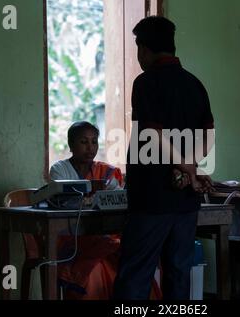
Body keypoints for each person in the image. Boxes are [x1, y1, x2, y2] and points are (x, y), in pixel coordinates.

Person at [113, 16, 215, 300]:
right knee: (179, 272)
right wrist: (190, 168)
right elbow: (209, 135)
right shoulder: (195, 84)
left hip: (152, 199)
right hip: (185, 199)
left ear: (143, 49)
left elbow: (153, 135)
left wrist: (183, 166)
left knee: (136, 273)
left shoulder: (146, 83)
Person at [26, 121, 161, 300]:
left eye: (94, 142)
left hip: (103, 238)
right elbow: (65, 202)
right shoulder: (60, 170)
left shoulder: (106, 172)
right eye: (84, 142)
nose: (90, 148)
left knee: (134, 262)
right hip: (72, 241)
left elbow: (118, 198)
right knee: (94, 268)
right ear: (71, 145)